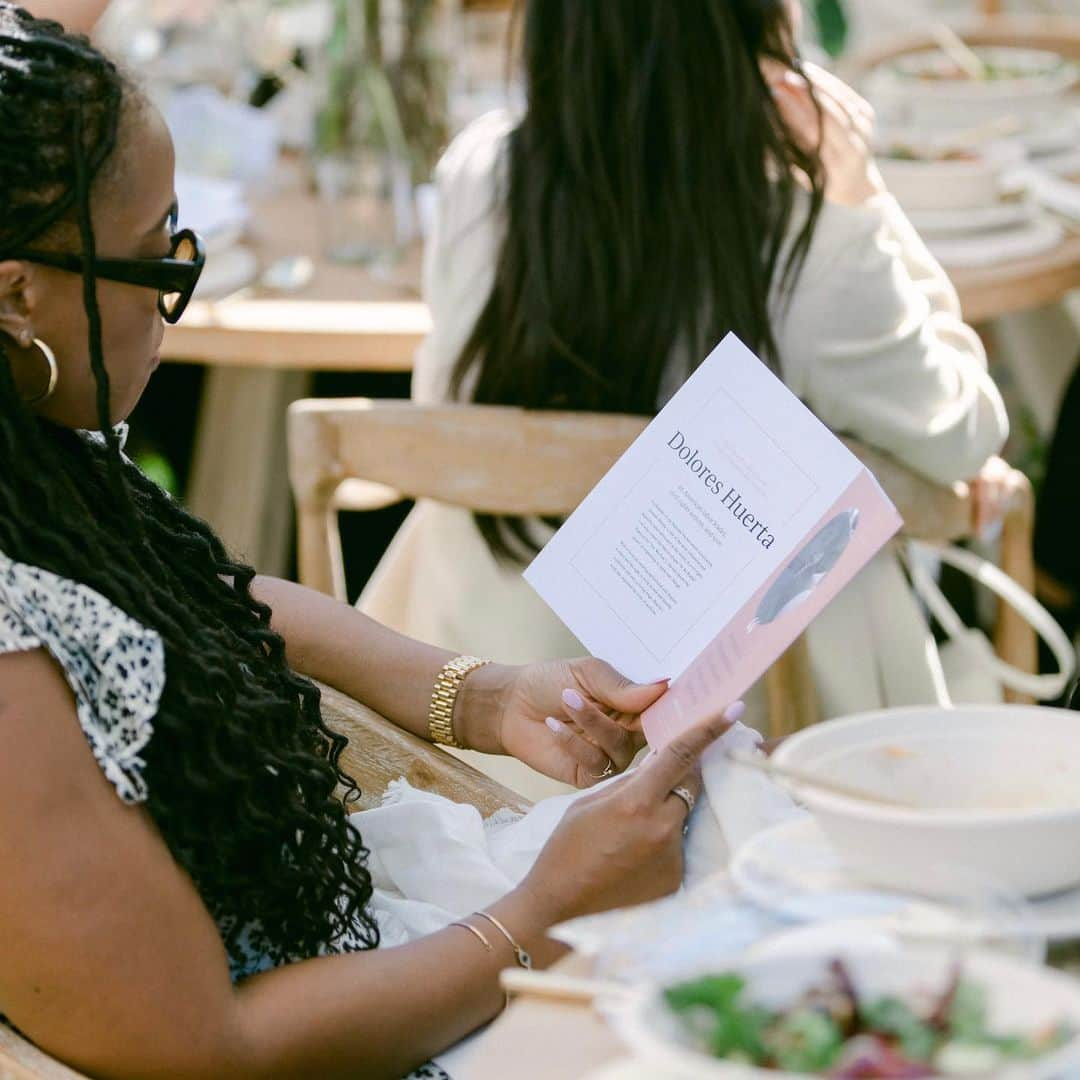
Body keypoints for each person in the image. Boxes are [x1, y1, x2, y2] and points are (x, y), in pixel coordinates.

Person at [0, 8, 737, 1079]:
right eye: (161, 261)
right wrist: (553, 907)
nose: (178, 307)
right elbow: (210, 1050)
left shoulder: (32, 445)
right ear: (17, 293)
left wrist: (481, 696)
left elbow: (182, 595)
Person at [360, 0, 1011, 793]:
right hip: (755, 751)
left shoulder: (481, 179)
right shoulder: (811, 248)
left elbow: (448, 412)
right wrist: (862, 196)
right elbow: (967, 430)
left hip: (484, 720)